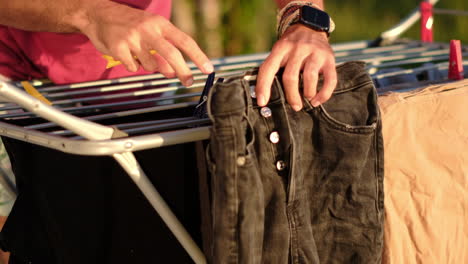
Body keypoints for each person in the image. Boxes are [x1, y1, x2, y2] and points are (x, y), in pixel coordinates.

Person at [0, 0, 337, 263]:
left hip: (135, 76)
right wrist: (89, 14)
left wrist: (303, 18)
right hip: (10, 80)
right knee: (23, 227)